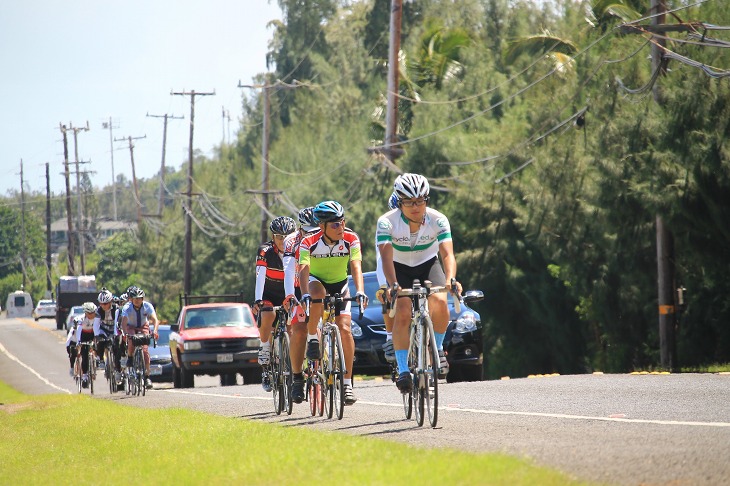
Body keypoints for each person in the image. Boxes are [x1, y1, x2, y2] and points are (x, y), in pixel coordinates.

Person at [376, 173, 462, 393]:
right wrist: (393, 284)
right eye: (408, 202)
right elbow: (386, 258)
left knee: (440, 302)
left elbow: (447, 254)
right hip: (398, 267)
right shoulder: (387, 222)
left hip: (427, 263)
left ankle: (438, 349)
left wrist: (451, 278)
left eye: (420, 201)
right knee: (403, 311)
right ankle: (403, 369)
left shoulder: (438, 219)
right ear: (399, 202)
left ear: (427, 199)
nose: (415, 207)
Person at [298, 200, 368, 405]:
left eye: (342, 222)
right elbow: (303, 268)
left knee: (345, 329)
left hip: (341, 284)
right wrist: (304, 294)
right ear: (322, 226)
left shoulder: (350, 238)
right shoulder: (309, 241)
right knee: (317, 292)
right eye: (335, 224)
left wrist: (361, 290)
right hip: (316, 282)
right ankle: (313, 338)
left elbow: (356, 265)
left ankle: (347, 384)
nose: (341, 227)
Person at [253, 216, 297, 392]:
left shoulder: (297, 248)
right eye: (279, 237)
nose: (283, 241)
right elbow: (260, 276)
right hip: (269, 293)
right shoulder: (265, 251)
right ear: (273, 237)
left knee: (292, 328)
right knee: (268, 313)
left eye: (287, 236)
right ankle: (265, 347)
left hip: (288, 294)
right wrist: (258, 299)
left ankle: (291, 364)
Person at [282, 206, 319, 403]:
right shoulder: (291, 241)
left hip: (320, 282)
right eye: (307, 231)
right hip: (297, 285)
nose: (310, 236)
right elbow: (288, 269)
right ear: (299, 229)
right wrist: (289, 295)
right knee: (299, 330)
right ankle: (297, 378)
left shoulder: (326, 235)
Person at [120, 287, 159, 390]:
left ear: (143, 299)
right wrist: (124, 333)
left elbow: (155, 319)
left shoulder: (147, 306)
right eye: (135, 298)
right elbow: (124, 322)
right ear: (131, 299)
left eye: (140, 298)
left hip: (143, 326)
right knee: (131, 340)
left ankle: (147, 376)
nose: (137, 300)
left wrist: (155, 331)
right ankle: (130, 357)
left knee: (145, 351)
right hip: (130, 326)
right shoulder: (127, 307)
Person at [376, 192, 399, 363]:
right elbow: (381, 259)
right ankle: (390, 337)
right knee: (385, 296)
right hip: (391, 266)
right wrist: (384, 285)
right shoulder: (386, 225)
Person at [74, 302, 99, 388]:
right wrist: (78, 341)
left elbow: (97, 329)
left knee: (98, 346)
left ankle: (96, 360)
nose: (92, 315)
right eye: (89, 313)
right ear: (85, 313)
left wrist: (96, 340)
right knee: (84, 355)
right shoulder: (81, 319)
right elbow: (79, 330)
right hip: (84, 335)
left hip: (93, 334)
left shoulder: (97, 317)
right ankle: (84, 376)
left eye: (93, 312)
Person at [93, 288, 118, 372]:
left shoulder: (116, 309)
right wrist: (97, 335)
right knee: (100, 341)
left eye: (106, 303)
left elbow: (118, 323)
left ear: (111, 302)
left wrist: (115, 334)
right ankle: (101, 360)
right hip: (104, 329)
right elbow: (96, 325)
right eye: (101, 304)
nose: (103, 306)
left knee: (117, 343)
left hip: (114, 328)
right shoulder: (98, 310)